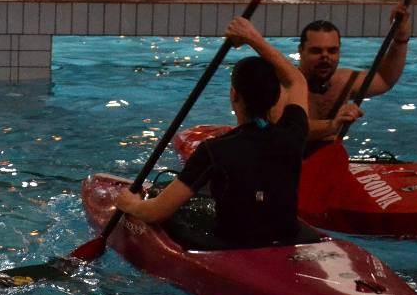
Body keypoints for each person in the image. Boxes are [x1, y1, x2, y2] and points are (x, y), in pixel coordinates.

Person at [115, 16, 309, 248]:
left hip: (234, 246)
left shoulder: (214, 150)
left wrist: (130, 203)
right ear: (277, 97)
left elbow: (156, 212)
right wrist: (253, 38)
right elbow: (297, 81)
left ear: (234, 95)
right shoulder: (293, 134)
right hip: (287, 239)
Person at [294, 5, 411, 143]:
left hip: (329, 154)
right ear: (301, 50)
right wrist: (332, 125)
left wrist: (400, 39)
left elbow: (384, 79)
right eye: (316, 51)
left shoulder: (344, 82)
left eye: (332, 51)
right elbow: (288, 129)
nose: (325, 57)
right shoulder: (285, 84)